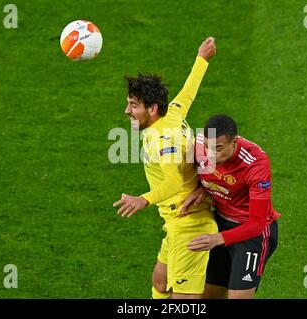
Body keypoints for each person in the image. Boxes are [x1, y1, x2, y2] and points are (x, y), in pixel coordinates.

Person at [113, 38, 218, 299]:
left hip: (189, 224)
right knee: (160, 282)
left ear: (152, 108)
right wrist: (202, 58)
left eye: (133, 106)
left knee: (184, 300)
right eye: (128, 103)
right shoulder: (172, 113)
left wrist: (142, 200)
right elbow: (189, 92)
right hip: (175, 222)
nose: (127, 111)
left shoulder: (163, 141)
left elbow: (172, 183)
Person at [181, 114, 280, 299]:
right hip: (220, 222)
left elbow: (257, 223)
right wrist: (203, 189)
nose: (211, 155)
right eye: (208, 148)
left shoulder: (255, 164)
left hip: (252, 234)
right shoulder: (200, 145)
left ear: (234, 142)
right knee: (208, 295)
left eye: (218, 149)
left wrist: (219, 238)